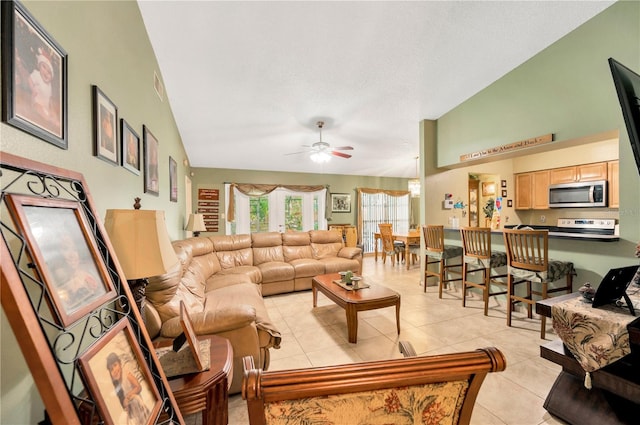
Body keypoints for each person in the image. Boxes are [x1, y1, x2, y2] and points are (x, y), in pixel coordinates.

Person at [106, 352, 150, 425]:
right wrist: (125, 403)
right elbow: (123, 401)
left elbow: (138, 387)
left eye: (115, 365)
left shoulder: (126, 374)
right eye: (111, 369)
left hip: (139, 406)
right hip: (132, 411)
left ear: (120, 364)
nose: (114, 370)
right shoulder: (117, 383)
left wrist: (129, 395)